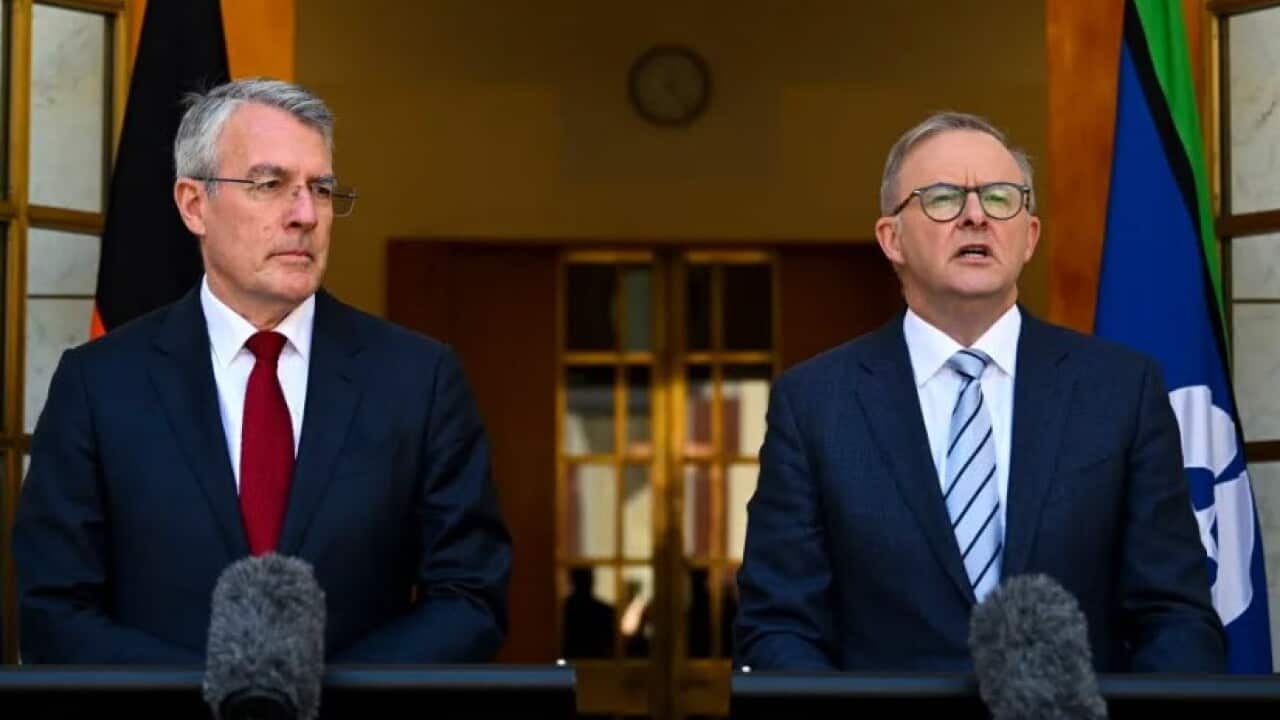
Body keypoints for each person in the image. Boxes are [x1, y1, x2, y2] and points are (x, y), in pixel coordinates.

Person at [12, 78, 512, 664]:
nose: (304, 215)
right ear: (194, 204)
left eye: (320, 189)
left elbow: (470, 598)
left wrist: (316, 699)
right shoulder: (99, 385)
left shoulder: (419, 380)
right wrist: (217, 699)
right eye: (269, 184)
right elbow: (54, 610)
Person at [734, 111, 1225, 673]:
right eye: (943, 198)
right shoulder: (815, 404)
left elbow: (1174, 614)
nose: (975, 216)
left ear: (1029, 236)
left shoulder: (1120, 390)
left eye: (999, 198)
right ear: (891, 238)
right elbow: (779, 625)